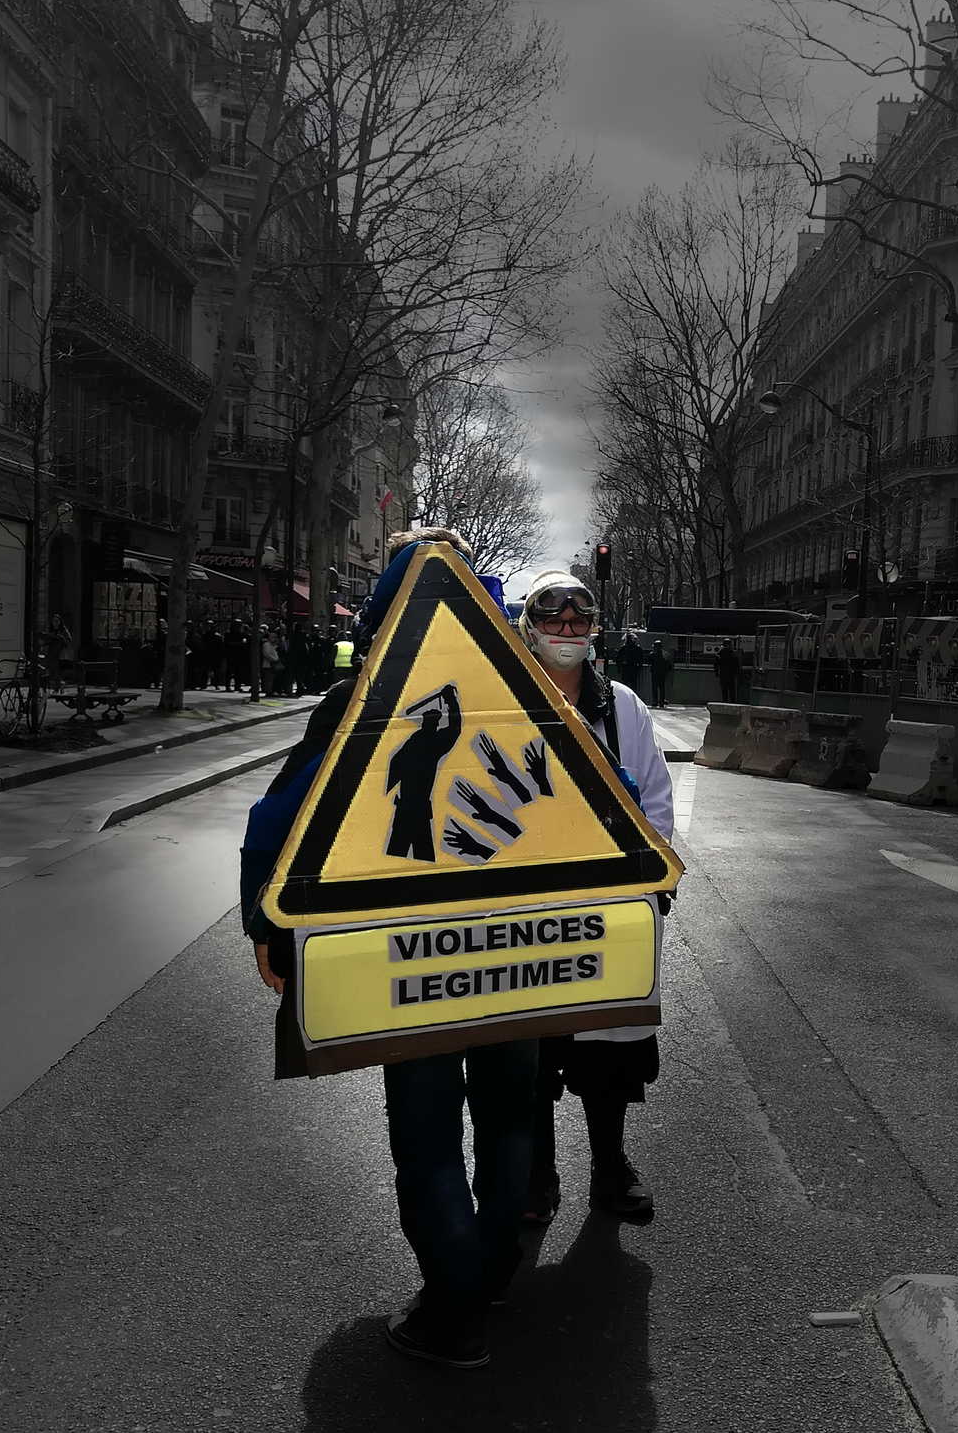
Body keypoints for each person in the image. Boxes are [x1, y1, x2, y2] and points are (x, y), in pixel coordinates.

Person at [241, 527, 536, 1372]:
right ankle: (494, 1272)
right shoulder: (523, 699)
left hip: (412, 966)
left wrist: (268, 923)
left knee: (430, 1137)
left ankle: (454, 1310)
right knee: (512, 1118)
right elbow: (610, 803)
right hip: (516, 961)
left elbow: (277, 822)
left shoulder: (364, 698)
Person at [515, 569, 675, 1229]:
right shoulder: (501, 703)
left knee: (606, 1058)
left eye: (579, 622)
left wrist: (650, 882)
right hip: (527, 915)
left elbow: (657, 800)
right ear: (531, 629)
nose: (567, 632)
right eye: (554, 621)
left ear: (594, 629)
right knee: (531, 1053)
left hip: (606, 915)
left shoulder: (625, 708)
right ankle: (537, 1175)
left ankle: (610, 1167)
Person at [647, 640, 672, 709]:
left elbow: (648, 662)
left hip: (655, 673)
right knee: (662, 688)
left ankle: (655, 701)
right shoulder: (666, 654)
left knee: (654, 688)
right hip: (663, 674)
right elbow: (669, 665)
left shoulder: (652, 654)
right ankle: (661, 702)